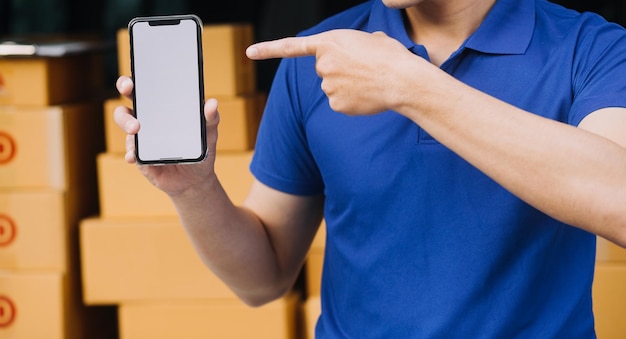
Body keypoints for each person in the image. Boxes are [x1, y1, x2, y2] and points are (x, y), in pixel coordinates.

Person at [115, 0, 626, 337]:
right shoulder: (320, 58)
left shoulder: (591, 47)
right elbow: (261, 279)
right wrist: (194, 189)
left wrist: (411, 86)